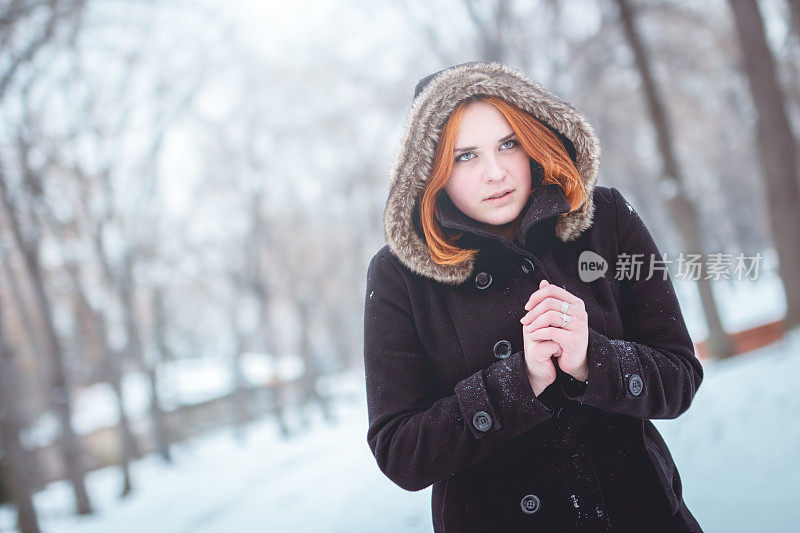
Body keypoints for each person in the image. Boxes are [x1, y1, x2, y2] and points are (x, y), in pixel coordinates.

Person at [363, 61, 703, 532]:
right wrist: (518, 382)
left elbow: (680, 377)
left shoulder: (603, 218)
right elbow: (400, 451)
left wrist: (593, 359)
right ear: (430, 172)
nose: (495, 172)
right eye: (465, 156)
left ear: (534, 140)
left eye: (508, 144)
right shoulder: (400, 275)